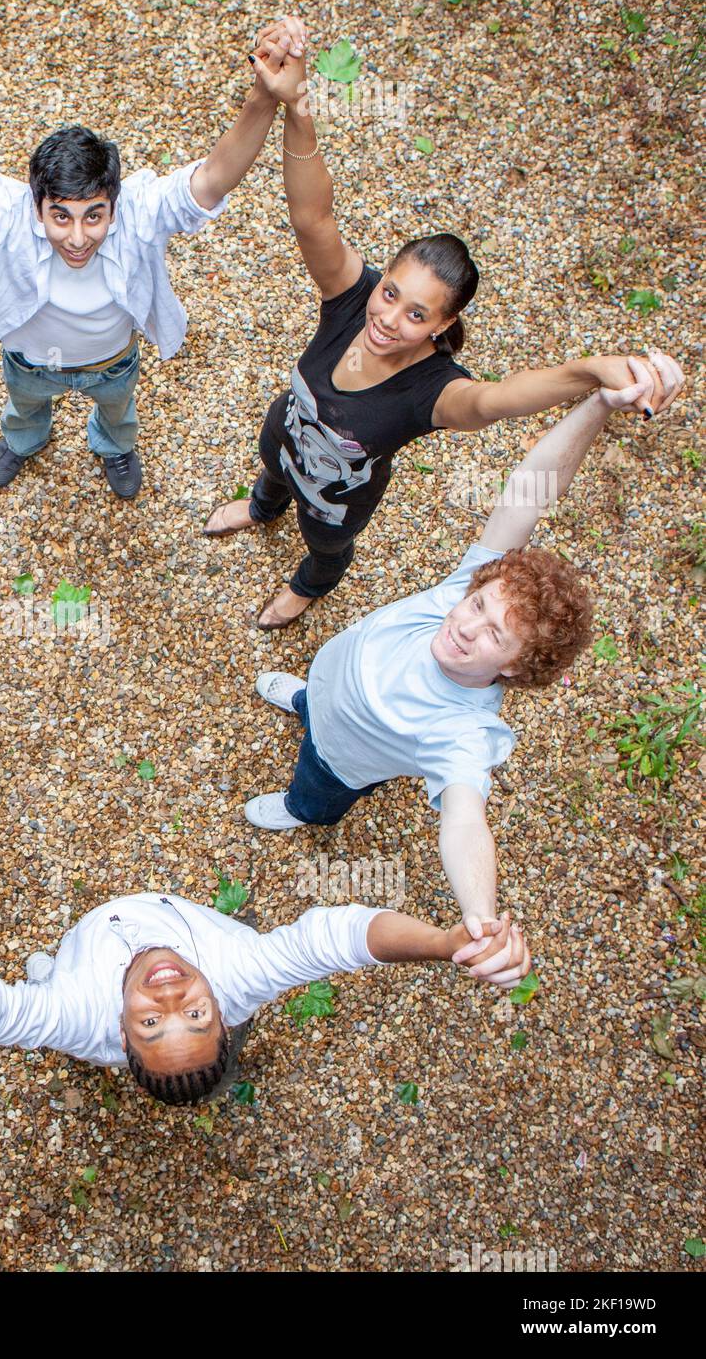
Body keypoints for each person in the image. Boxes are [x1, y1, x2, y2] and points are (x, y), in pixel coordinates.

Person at [203, 16, 674, 629]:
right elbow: (313, 218)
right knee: (271, 474)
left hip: (334, 506)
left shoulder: (433, 390)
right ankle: (260, 509)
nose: (388, 318)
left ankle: (306, 588)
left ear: (442, 324)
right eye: (391, 293)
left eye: (416, 313)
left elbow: (498, 399)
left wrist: (589, 371)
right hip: (284, 441)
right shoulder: (354, 296)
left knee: (325, 550)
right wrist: (297, 108)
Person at [242, 350, 685, 948]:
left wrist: (480, 914)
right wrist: (599, 403)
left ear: (514, 667)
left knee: (316, 785)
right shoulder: (467, 588)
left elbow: (466, 822)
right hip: (328, 684)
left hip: (341, 761)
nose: (468, 625)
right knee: (314, 700)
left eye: (495, 634)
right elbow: (533, 487)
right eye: (479, 605)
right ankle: (303, 700)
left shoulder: (464, 736)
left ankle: (304, 810)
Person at [0, 34, 288, 499]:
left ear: (113, 203)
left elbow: (213, 177)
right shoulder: (6, 213)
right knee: (24, 407)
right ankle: (25, 438)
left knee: (118, 412)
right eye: (61, 217)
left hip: (112, 365)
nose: (78, 238)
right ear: (37, 204)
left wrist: (262, 99)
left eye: (95, 216)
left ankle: (114, 445)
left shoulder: (143, 209)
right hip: (30, 363)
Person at [0, 891, 530, 1107]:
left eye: (153, 1022)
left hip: (76, 972)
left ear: (121, 1035)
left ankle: (51, 966)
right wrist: (443, 943)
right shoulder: (241, 972)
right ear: (225, 1008)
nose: (174, 991)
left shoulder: (79, 1014)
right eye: (198, 1013)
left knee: (38, 991)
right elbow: (335, 937)